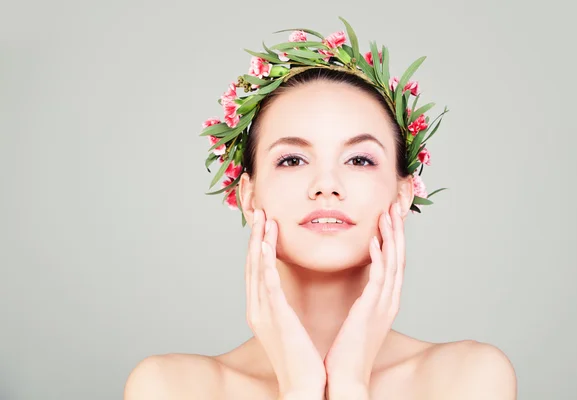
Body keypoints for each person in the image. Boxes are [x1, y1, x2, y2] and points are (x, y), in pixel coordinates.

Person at [124, 18, 517, 400]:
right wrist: (299, 389)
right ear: (248, 195)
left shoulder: (468, 379)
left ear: (403, 194)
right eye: (292, 160)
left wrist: (349, 384)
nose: (326, 185)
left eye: (360, 160)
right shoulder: (170, 387)